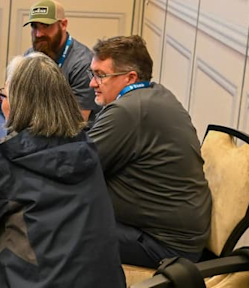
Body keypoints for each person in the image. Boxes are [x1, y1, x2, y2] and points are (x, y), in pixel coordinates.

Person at [0, 53, 125, 287]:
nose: (2, 104)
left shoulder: (8, 160)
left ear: (19, 104)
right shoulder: (86, 148)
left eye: (4, 95)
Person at [88, 35, 211, 268]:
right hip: (174, 233)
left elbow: (76, 168)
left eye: (100, 75)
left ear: (130, 77)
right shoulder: (155, 93)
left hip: (164, 245)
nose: (92, 83)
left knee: (57, 222)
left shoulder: (127, 111)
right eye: (92, 73)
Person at [23, 0, 99, 126]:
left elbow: (77, 121)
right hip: (37, 126)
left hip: (71, 133)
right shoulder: (30, 56)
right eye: (34, 26)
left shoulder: (83, 63)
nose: (39, 34)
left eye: (45, 26)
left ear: (63, 24)